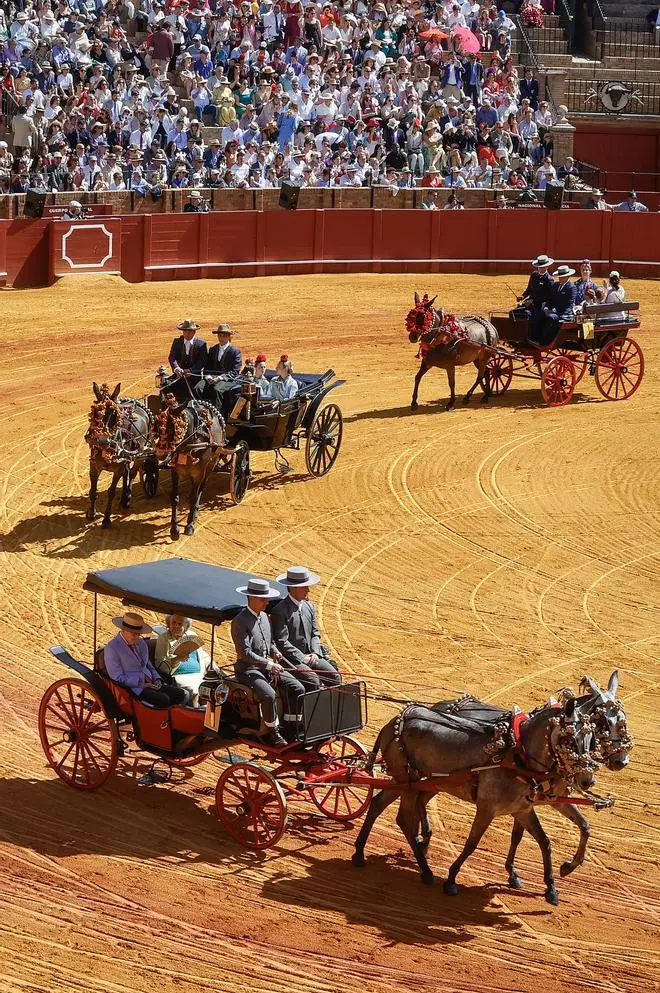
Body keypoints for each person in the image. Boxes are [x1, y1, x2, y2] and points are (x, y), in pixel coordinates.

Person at [230, 576, 308, 748]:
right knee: (269, 695)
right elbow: (245, 653)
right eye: (263, 599)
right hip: (248, 670)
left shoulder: (265, 617)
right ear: (251, 598)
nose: (266, 602)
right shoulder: (239, 621)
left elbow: (270, 642)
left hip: (266, 667)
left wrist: (275, 652)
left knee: (297, 687)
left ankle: (290, 725)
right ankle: (273, 732)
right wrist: (269, 664)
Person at [271, 566, 341, 690]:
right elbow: (282, 642)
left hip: (312, 656)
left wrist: (314, 652)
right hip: (292, 660)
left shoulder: (309, 607)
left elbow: (315, 633)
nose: (308, 590)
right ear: (293, 588)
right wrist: (303, 657)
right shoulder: (280, 611)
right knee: (313, 680)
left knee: (334, 676)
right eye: (304, 587)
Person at [104, 611, 187, 707]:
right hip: (133, 688)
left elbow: (148, 665)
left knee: (180, 694)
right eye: (134, 634)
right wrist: (141, 684)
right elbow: (117, 677)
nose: (137, 637)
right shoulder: (112, 648)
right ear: (124, 630)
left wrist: (157, 678)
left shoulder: (140, 642)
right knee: (163, 700)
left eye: (139, 634)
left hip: (151, 682)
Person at [154, 614, 211, 704]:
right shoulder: (163, 638)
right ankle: (195, 713)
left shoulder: (192, 635)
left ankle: (209, 713)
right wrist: (177, 659)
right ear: (169, 623)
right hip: (179, 675)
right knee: (194, 689)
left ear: (186, 626)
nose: (176, 626)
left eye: (180, 623)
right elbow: (159, 664)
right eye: (173, 622)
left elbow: (201, 656)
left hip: (199, 674)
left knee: (213, 687)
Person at [196, 322, 242, 407]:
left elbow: (235, 371)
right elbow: (207, 367)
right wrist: (209, 377)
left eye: (224, 336)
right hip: (212, 378)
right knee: (198, 388)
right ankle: (201, 410)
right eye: (219, 335)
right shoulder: (213, 349)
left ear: (229, 337)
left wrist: (220, 378)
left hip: (227, 380)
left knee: (217, 390)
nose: (221, 338)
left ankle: (217, 416)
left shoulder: (235, 351)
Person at [529, 264, 577, 347]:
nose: (560, 278)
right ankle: (534, 338)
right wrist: (546, 308)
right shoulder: (556, 285)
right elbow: (550, 299)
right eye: (559, 276)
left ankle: (543, 342)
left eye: (562, 276)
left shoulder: (571, 287)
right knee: (539, 315)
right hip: (553, 311)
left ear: (567, 277)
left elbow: (568, 304)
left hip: (564, 313)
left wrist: (553, 311)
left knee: (551, 317)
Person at [510, 254, 554, 321]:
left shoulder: (549, 279)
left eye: (543, 267)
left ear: (547, 266)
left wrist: (532, 301)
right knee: (513, 312)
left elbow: (548, 297)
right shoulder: (534, 275)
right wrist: (522, 296)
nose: (540, 268)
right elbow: (529, 289)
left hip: (541, 305)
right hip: (529, 302)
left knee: (529, 315)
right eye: (539, 267)